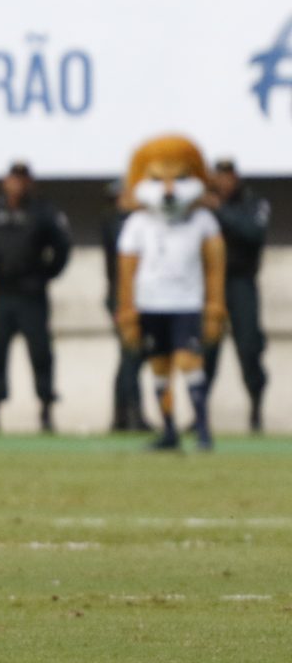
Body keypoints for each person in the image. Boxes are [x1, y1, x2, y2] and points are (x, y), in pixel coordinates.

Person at [118, 166, 226, 452]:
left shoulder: (202, 220)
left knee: (190, 363)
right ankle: (169, 431)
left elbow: (215, 266)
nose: (169, 189)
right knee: (159, 367)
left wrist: (215, 306)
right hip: (150, 303)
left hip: (186, 302)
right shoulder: (138, 222)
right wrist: (127, 310)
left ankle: (203, 430)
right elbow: (127, 269)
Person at [0, 161, 72, 433]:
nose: (17, 185)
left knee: (41, 353)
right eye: (13, 179)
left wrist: (45, 274)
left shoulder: (43, 212)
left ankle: (45, 408)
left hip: (31, 295)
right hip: (1, 294)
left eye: (22, 180)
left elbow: (62, 248)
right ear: (5, 182)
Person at [209, 160, 269, 432]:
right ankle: (200, 412)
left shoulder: (252, 203)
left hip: (242, 283)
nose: (224, 183)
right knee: (206, 349)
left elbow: (253, 233)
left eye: (228, 177)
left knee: (248, 347)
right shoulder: (201, 205)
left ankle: (256, 408)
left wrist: (219, 210)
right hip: (210, 285)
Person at [97, 182, 150, 433]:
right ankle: (133, 415)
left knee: (130, 358)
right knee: (131, 356)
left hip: (139, 296)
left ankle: (121, 415)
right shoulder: (119, 224)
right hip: (124, 298)